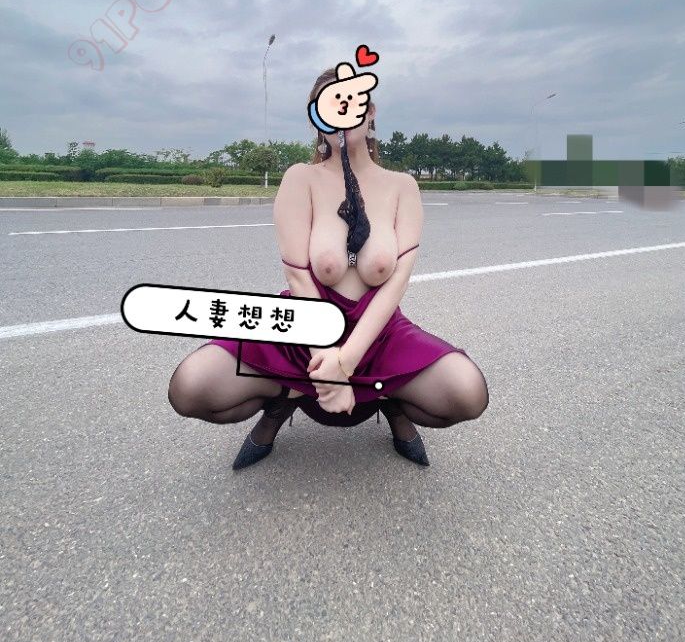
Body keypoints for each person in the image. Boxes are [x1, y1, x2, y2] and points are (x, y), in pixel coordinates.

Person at [167, 66, 489, 470]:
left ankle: (391, 402)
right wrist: (328, 363)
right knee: (191, 387)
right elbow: (297, 275)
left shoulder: (402, 186)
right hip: (303, 324)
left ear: (371, 112)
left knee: (467, 393)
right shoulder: (301, 178)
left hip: (377, 330)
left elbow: (396, 283)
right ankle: (282, 401)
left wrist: (346, 362)